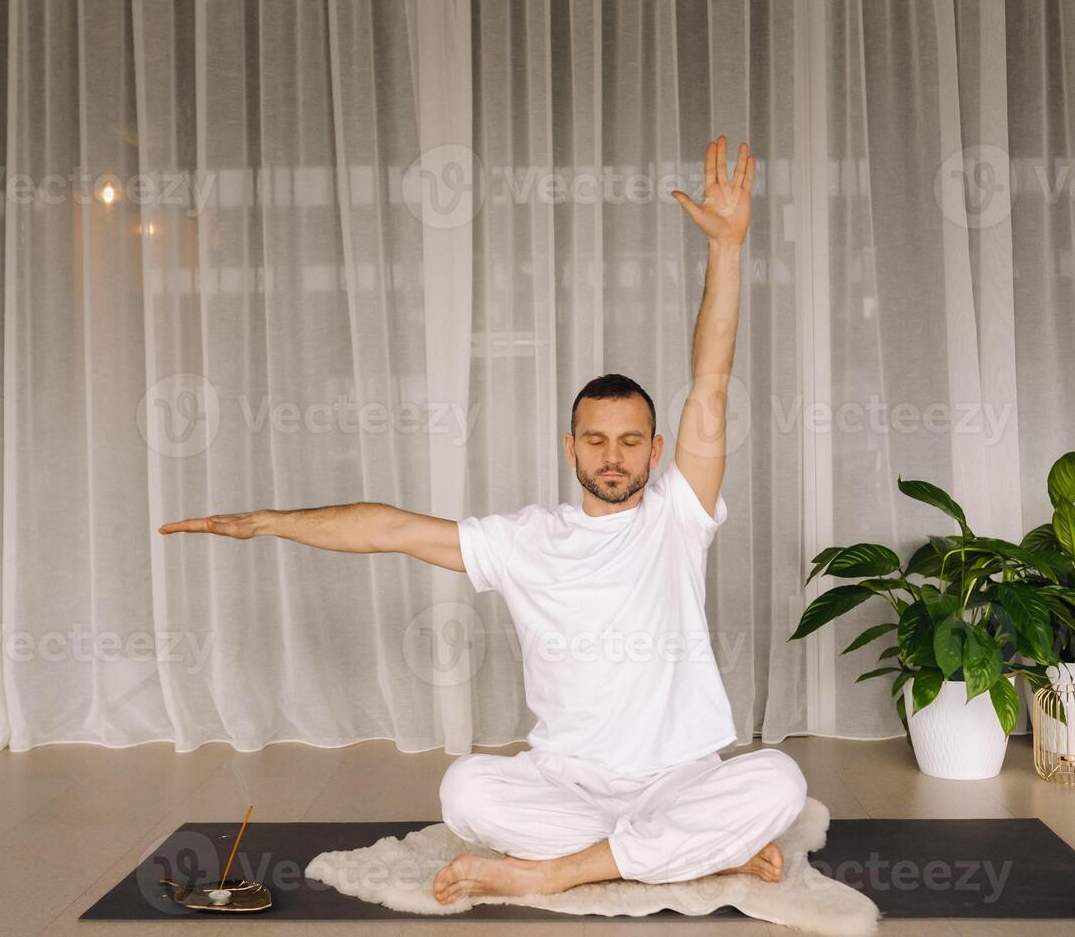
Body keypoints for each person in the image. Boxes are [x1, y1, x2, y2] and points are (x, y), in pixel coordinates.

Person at [159, 136, 807, 904]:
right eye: (595, 439)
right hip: (569, 783)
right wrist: (268, 521)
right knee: (467, 791)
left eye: (631, 441)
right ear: (570, 446)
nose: (613, 455)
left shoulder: (679, 516)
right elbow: (389, 529)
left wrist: (728, 248)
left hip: (681, 775)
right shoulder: (524, 540)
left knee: (778, 778)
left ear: (656, 449)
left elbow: (712, 378)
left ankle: (567, 869)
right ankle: (695, 855)